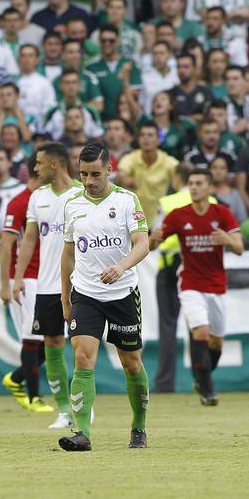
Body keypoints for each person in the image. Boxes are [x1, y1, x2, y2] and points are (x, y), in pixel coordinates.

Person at [59, 142, 151, 451]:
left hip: (123, 292)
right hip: (85, 293)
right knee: (83, 357)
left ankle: (139, 427)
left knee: (132, 364)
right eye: (83, 174)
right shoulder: (72, 204)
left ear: (109, 170)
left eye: (95, 174)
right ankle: (81, 432)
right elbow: (68, 253)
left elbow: (142, 244)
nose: (88, 181)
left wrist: (121, 266)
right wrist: (64, 297)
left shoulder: (127, 200)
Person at [155, 168, 243, 405]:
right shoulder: (178, 216)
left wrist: (227, 240)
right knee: (200, 332)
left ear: (210, 188)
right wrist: (152, 238)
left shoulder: (222, 214)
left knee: (215, 342)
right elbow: (155, 243)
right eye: (191, 183)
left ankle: (202, 378)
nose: (193, 187)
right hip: (190, 283)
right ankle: (207, 389)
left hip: (216, 285)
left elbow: (240, 247)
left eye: (198, 183)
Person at [11, 142, 81, 430]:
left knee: (82, 347)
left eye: (38, 164)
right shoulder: (36, 197)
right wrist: (17, 277)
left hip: (81, 284)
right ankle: (64, 410)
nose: (34, 169)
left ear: (54, 164)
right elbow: (29, 239)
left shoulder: (81, 193)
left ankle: (82, 406)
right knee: (52, 344)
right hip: (47, 285)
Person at [0, 154, 55, 414]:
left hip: (47, 277)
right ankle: (34, 397)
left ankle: (17, 378)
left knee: (52, 337)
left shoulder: (48, 200)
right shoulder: (19, 202)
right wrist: (6, 282)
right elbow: (6, 244)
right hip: (26, 279)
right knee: (32, 336)